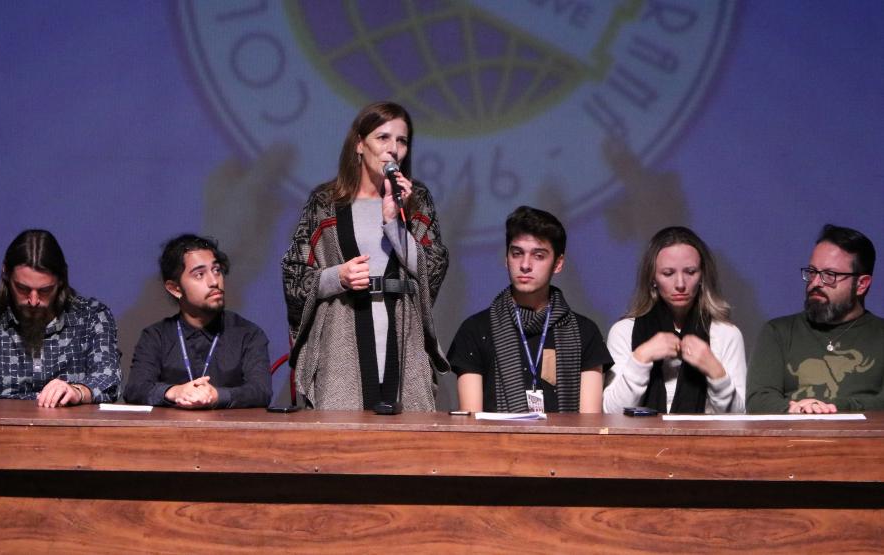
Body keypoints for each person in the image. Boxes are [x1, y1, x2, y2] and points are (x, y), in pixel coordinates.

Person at [282, 101, 449, 411]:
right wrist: (337, 277)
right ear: (359, 144)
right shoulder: (325, 202)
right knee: (342, 443)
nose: (394, 149)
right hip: (341, 337)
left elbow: (434, 267)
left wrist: (393, 222)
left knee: (406, 442)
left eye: (402, 140)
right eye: (382, 138)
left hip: (402, 336)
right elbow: (294, 274)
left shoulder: (415, 199)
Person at [448, 206, 610, 413]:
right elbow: (471, 423)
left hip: (566, 445)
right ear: (506, 259)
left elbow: (589, 424)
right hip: (496, 444)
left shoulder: (584, 332)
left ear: (558, 264)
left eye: (539, 256)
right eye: (517, 254)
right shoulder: (476, 330)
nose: (525, 265)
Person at [0, 229, 120, 407]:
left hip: (72, 433)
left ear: (61, 280)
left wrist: (78, 391)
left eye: (45, 290)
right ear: (6, 274)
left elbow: (109, 378)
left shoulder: (91, 318)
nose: (33, 301)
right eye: (22, 289)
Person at [603, 226, 746, 414]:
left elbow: (739, 419)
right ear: (652, 278)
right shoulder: (623, 331)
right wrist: (641, 357)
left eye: (690, 271)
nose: (680, 284)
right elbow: (611, 414)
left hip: (706, 442)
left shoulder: (726, 334)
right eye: (668, 273)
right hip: (638, 442)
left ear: (702, 275)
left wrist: (715, 370)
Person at [747, 224, 883, 413]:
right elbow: (758, 401)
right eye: (812, 272)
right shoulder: (778, 332)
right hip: (790, 440)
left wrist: (833, 409)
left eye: (830, 275)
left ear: (861, 284)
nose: (816, 283)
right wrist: (798, 411)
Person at [125, 234, 272, 409]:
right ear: (175, 288)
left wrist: (217, 395)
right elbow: (135, 389)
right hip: (169, 434)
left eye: (216, 270)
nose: (214, 281)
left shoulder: (248, 334)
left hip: (230, 433)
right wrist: (175, 392)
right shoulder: (156, 336)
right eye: (200, 274)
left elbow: (261, 391)